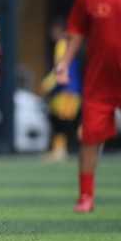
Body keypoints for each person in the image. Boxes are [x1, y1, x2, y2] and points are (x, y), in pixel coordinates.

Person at [54, 0, 121, 214]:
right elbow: (76, 33)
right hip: (99, 82)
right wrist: (65, 61)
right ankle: (86, 196)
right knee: (90, 138)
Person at [39, 17, 82, 162]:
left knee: (66, 123)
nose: (52, 33)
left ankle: (92, 144)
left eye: (55, 30)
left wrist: (46, 84)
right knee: (59, 121)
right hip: (62, 91)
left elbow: (60, 69)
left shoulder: (62, 44)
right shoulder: (67, 44)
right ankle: (59, 150)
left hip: (68, 91)